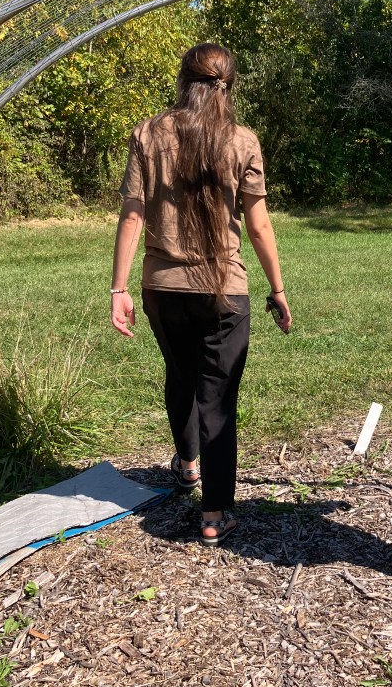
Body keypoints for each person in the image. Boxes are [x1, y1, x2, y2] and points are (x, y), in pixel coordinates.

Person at [110, 42, 291, 547]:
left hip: (161, 289)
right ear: (228, 85)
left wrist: (119, 287)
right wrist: (277, 288)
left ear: (182, 79)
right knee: (218, 397)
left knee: (180, 372)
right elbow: (258, 226)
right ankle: (213, 514)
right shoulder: (242, 140)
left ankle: (188, 465)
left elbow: (132, 214)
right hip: (224, 292)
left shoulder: (148, 133)